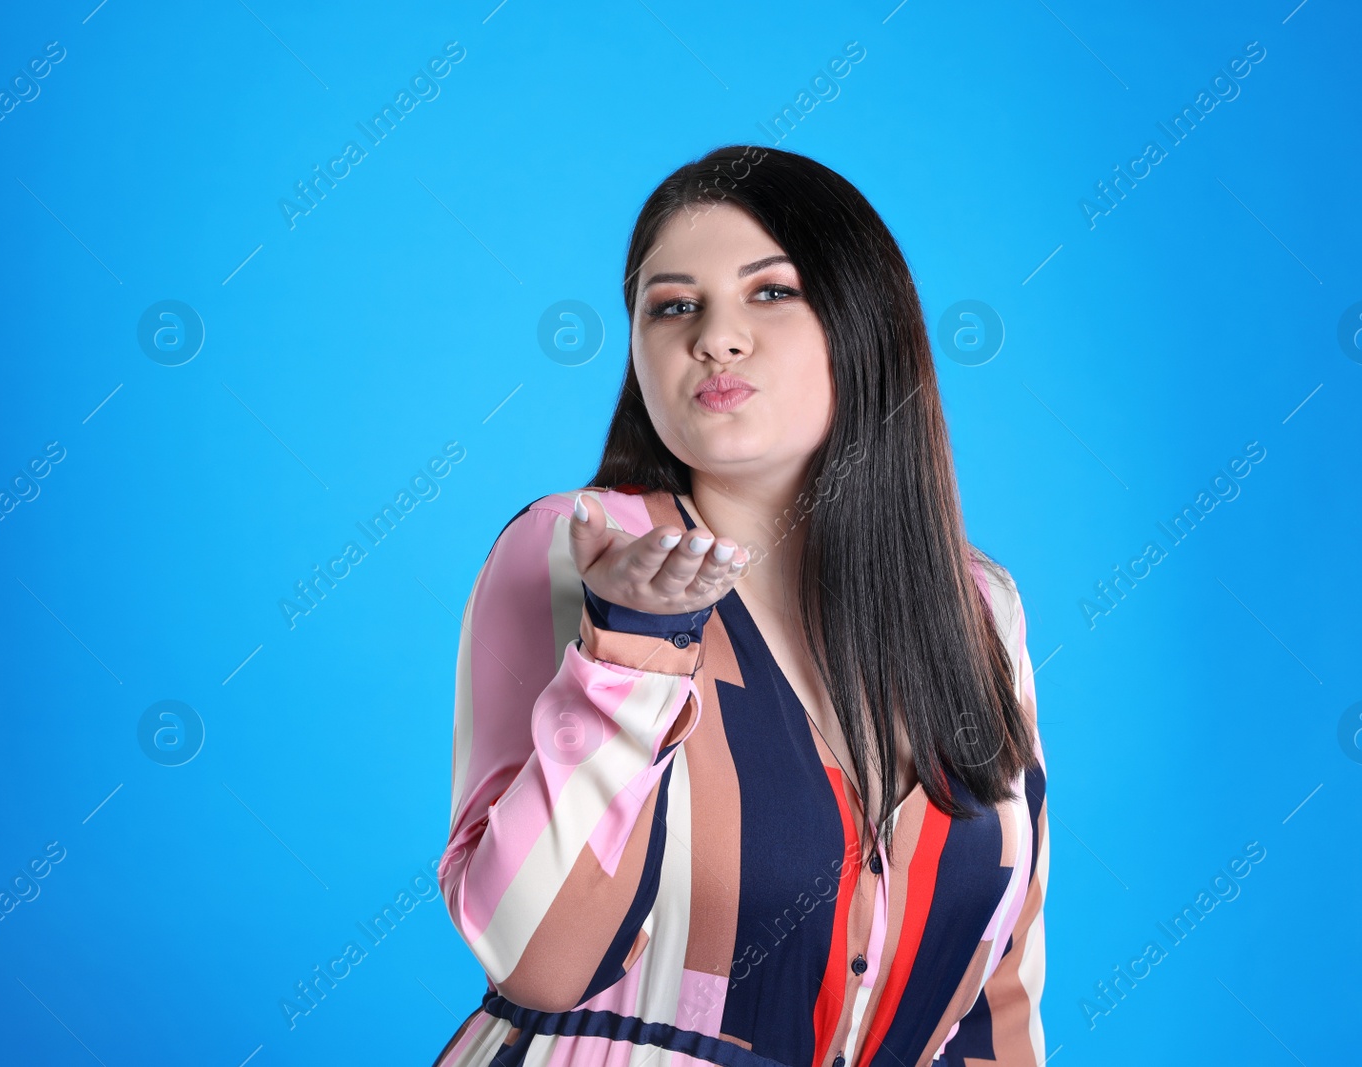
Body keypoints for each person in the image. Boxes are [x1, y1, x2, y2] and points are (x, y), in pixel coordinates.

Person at [431, 144, 1048, 1067]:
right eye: (674, 306)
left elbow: (999, 984)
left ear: (866, 319)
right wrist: (630, 652)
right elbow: (535, 963)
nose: (714, 336)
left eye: (770, 292)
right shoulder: (575, 549)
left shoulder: (979, 605)